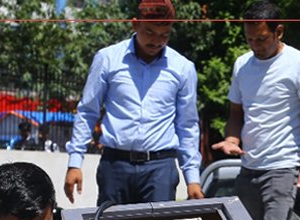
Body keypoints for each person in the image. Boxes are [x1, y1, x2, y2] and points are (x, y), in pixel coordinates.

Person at [212, 0, 300, 220]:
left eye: (261, 39)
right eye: (249, 39)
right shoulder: (242, 65)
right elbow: (236, 114)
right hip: (249, 167)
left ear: (279, 32)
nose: (255, 45)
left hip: (282, 167)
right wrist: (232, 139)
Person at [63, 0, 203, 204]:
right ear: (135, 24)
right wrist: (75, 162)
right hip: (115, 167)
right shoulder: (108, 59)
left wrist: (193, 179)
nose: (156, 41)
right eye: (149, 32)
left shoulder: (183, 68)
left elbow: (187, 125)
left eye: (164, 35)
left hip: (159, 170)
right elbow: (88, 111)